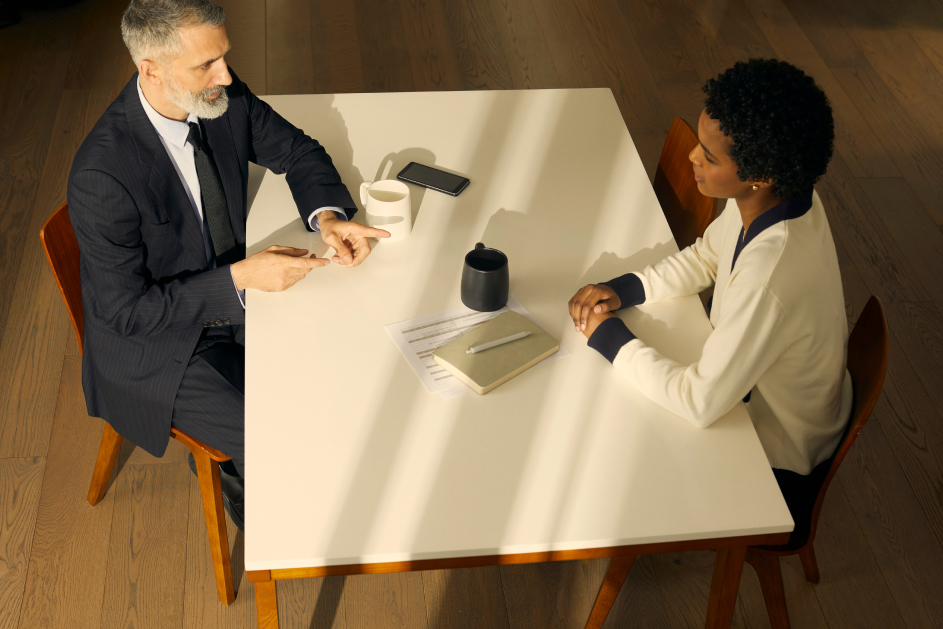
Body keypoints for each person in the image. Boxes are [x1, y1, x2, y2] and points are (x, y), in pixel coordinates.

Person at [67, 0, 389, 529]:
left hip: (234, 296)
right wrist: (240, 278)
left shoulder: (218, 95)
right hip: (157, 348)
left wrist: (328, 217)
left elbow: (299, 152)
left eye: (224, 57)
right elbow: (127, 312)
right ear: (150, 69)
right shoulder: (103, 175)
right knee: (277, 434)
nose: (225, 74)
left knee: (347, 360)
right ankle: (253, 492)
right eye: (205, 65)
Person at [568, 59, 851, 546]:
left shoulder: (771, 274)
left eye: (710, 158)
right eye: (699, 144)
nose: (694, 159)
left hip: (776, 460)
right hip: (764, 399)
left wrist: (611, 338)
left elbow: (699, 403)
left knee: (598, 451)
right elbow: (707, 256)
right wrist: (628, 288)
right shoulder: (781, 195)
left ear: (760, 173)